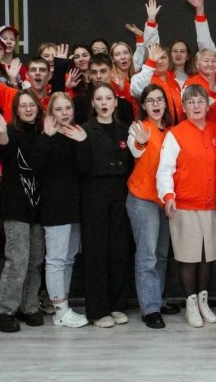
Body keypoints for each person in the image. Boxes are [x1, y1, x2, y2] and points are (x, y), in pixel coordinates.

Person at [157, 85, 216, 328]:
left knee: (208, 255)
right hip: (185, 205)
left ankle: (203, 300)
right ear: (183, 107)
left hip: (212, 204)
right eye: (191, 102)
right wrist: (168, 195)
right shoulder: (175, 134)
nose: (196, 106)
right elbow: (165, 169)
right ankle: (191, 303)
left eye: (200, 101)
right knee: (188, 256)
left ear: (207, 105)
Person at [0, 91, 45, 333]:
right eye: (23, 105)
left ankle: (29, 307)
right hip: (16, 207)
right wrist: (2, 132)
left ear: (38, 108)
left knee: (35, 260)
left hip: (39, 208)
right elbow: (4, 150)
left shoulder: (43, 133)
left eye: (31, 105)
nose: (28, 109)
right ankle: (3, 311)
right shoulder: (10, 132)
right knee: (17, 260)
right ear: (16, 110)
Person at [74, 83, 133, 328]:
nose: (104, 103)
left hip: (121, 194)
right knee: (96, 252)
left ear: (115, 102)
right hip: (94, 195)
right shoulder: (85, 130)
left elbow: (132, 165)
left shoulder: (126, 129)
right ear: (93, 103)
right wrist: (81, 143)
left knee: (119, 251)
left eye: (108, 98)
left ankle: (118, 305)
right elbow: (81, 168)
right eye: (99, 99)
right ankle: (98, 311)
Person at [32, 92, 89, 328]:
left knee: (68, 258)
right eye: (59, 109)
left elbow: (85, 168)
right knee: (56, 260)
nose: (65, 113)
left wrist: (83, 142)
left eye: (68, 108)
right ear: (50, 112)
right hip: (55, 206)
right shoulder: (47, 135)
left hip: (75, 207)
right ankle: (59, 311)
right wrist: (46, 137)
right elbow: (35, 166)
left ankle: (63, 306)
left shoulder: (78, 133)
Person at [126, 85, 174, 329]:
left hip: (164, 200)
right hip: (142, 198)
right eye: (151, 100)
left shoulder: (171, 131)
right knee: (148, 255)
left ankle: (158, 299)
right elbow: (135, 149)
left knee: (162, 254)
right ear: (143, 105)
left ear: (165, 104)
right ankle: (150, 308)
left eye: (160, 100)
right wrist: (140, 143)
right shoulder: (138, 128)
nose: (156, 104)